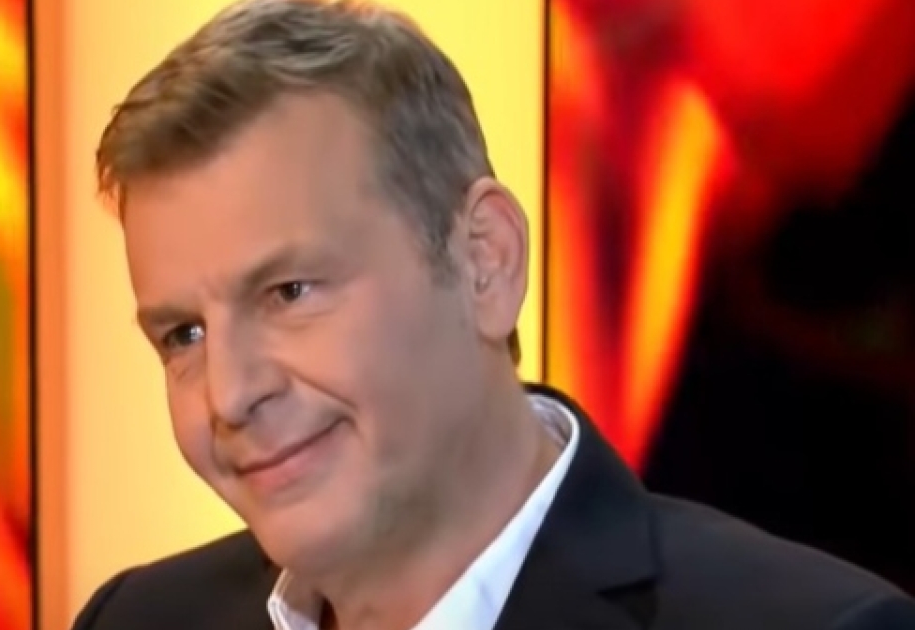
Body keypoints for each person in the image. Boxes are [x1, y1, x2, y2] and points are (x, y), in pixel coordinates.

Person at [73, 0, 915, 628]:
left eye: (289, 292)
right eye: (183, 335)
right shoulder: (138, 621)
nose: (229, 394)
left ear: (485, 261)